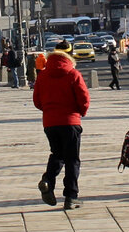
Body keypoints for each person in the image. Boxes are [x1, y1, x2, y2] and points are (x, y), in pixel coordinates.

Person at [32, 47, 90, 210]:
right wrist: (81, 112)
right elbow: (84, 97)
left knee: (57, 154)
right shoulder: (73, 74)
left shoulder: (42, 76)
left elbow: (36, 100)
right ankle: (71, 196)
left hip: (50, 123)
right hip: (70, 122)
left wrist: (48, 111)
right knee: (72, 159)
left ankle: (48, 181)